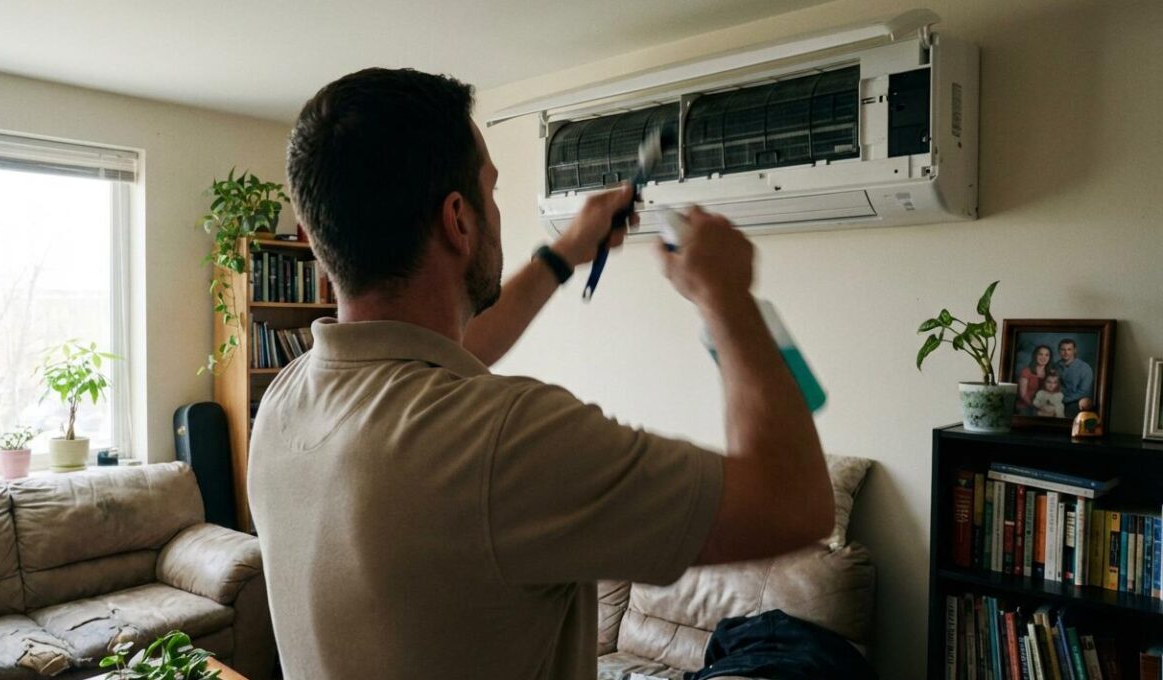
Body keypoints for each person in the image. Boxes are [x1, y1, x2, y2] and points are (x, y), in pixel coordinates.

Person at [247, 68, 833, 680]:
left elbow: (445, 348)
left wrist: (565, 252)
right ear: (458, 220)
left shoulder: (285, 403)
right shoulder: (503, 440)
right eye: (491, 190)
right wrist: (726, 298)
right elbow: (791, 503)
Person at [1055, 338, 1094, 414]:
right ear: (1059, 351)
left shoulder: (1085, 368)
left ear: (1075, 350)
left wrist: (1063, 400)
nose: (1066, 352)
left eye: (1069, 349)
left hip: (1075, 404)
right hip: (1055, 402)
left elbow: (1084, 392)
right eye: (1063, 349)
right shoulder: (1055, 366)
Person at [1017, 345, 1052, 415]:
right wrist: (1035, 407)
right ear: (1035, 356)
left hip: (1043, 407)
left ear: (1049, 358)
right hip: (1026, 406)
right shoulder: (1026, 371)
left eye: (1046, 355)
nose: (1043, 357)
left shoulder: (1051, 373)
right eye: (1040, 354)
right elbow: (1023, 394)